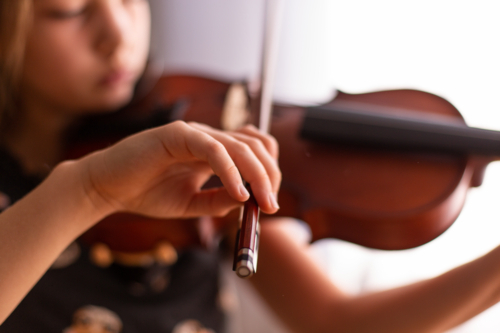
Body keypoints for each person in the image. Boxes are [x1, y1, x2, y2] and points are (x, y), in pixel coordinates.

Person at [2, 1, 500, 333]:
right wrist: (87, 190)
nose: (118, 34)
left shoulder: (183, 128)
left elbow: (334, 322)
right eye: (67, 10)